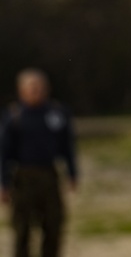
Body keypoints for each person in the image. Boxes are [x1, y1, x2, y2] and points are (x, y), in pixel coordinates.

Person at [1, 69, 78, 257]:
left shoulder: (57, 114)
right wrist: (3, 183)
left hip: (49, 174)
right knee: (22, 229)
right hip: (23, 176)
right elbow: (3, 152)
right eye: (31, 87)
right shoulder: (14, 117)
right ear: (21, 90)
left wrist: (72, 173)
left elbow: (67, 146)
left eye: (39, 87)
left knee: (53, 225)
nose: (36, 91)